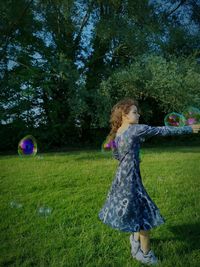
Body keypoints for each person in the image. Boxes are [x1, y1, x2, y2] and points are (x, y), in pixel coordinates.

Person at [98, 98, 200, 265]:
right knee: (144, 218)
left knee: (136, 210)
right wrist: (189, 128)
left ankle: (134, 240)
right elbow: (162, 131)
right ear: (124, 115)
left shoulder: (118, 133)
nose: (138, 114)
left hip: (122, 177)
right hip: (130, 180)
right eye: (134, 112)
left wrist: (132, 157)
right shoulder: (136, 130)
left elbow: (116, 156)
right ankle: (145, 254)